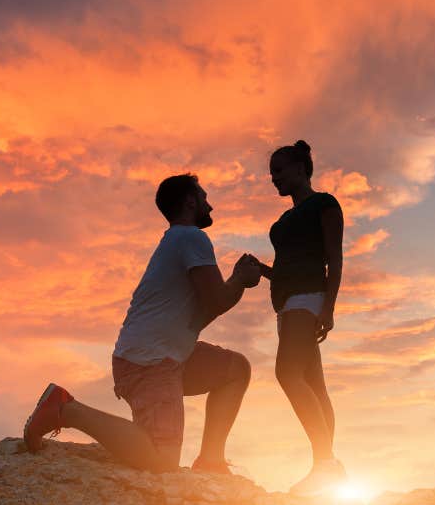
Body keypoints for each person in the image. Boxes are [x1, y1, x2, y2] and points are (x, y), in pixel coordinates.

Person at [23, 174, 261, 473]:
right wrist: (240, 280)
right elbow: (216, 301)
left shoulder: (178, 241)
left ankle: (211, 461)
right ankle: (65, 409)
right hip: (150, 362)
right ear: (190, 200)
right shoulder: (191, 237)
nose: (210, 206)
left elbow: (201, 315)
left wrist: (237, 281)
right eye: (204, 197)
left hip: (163, 356)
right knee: (161, 461)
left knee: (235, 370)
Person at [251, 140, 347, 496]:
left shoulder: (324, 204)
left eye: (279, 170)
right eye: (271, 173)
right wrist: (262, 270)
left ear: (299, 168)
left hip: (308, 300)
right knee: (315, 386)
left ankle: (325, 465)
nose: (273, 178)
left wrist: (329, 308)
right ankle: (327, 466)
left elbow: (334, 260)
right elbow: (287, 269)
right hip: (287, 303)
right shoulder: (283, 221)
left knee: (286, 373)